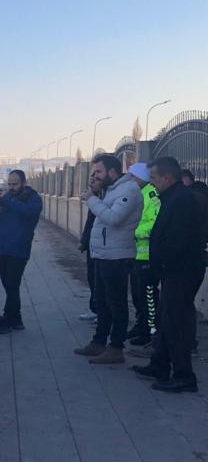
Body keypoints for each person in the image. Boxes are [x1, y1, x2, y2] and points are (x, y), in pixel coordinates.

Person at [133, 157, 207, 393]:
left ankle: (184, 376)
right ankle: (160, 365)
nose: (151, 183)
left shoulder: (182, 200)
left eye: (153, 178)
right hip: (173, 270)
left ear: (167, 177)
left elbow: (176, 241)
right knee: (166, 319)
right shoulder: (171, 197)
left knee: (177, 323)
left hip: (181, 271)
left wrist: (161, 265)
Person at [74, 154, 143, 364]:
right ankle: (99, 341)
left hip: (117, 257)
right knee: (101, 302)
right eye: (94, 172)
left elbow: (113, 218)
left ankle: (116, 347)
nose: (95, 176)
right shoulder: (111, 190)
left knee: (116, 304)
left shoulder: (129, 190)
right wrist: (96, 194)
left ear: (112, 172)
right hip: (102, 255)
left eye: (99, 172)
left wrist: (92, 198)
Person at [0, 169, 42, 334]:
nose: (11, 187)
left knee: (11, 285)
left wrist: (7, 199)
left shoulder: (33, 199)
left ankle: (7, 319)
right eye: (9, 184)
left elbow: (27, 212)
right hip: (2, 248)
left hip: (18, 249)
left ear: (24, 183)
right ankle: (16, 320)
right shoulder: (8, 200)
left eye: (15, 184)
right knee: (9, 287)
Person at [125, 163, 160, 352]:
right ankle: (141, 326)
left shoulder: (151, 194)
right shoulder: (139, 193)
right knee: (138, 295)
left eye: (133, 177)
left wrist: (133, 232)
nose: (130, 180)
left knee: (149, 297)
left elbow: (153, 223)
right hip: (136, 253)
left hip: (146, 255)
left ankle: (151, 332)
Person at [77, 172, 101, 323]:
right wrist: (84, 241)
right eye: (91, 180)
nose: (91, 183)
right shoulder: (94, 199)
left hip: (103, 247)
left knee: (100, 281)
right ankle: (95, 309)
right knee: (92, 278)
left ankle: (102, 312)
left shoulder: (103, 198)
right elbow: (90, 222)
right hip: (92, 243)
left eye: (95, 180)